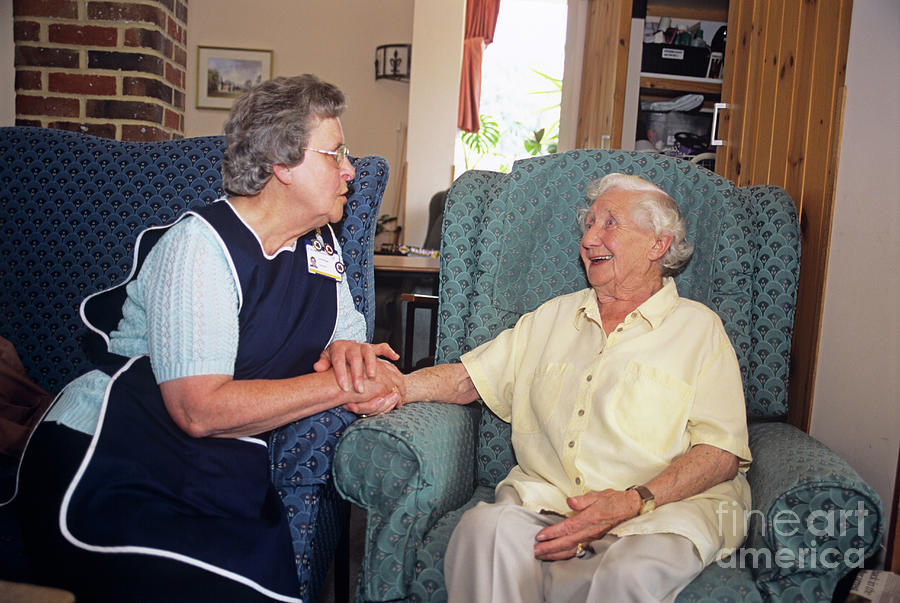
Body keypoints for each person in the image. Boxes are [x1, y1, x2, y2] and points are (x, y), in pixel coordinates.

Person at [12, 75, 404, 602]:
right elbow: (199, 410)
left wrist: (346, 353)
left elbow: (345, 338)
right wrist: (345, 387)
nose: (350, 170)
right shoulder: (199, 247)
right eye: (336, 154)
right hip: (120, 455)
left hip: (219, 468)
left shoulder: (319, 244)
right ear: (283, 164)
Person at [402, 173, 752, 602]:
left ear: (658, 244)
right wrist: (395, 388)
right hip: (548, 502)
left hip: (659, 513)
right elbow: (464, 379)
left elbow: (721, 453)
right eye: (588, 225)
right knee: (483, 530)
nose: (589, 239)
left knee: (629, 574)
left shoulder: (699, 330)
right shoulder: (550, 318)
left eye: (609, 224)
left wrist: (633, 500)